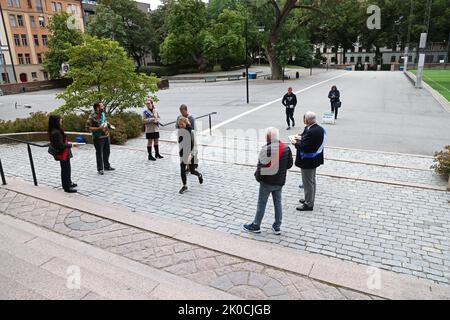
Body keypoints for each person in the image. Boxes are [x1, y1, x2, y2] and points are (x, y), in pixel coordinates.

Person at [243, 127, 293, 235]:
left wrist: (258, 178)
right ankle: (277, 226)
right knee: (278, 203)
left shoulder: (266, 149)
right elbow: (289, 165)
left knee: (261, 204)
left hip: (267, 182)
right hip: (279, 182)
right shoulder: (286, 148)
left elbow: (260, 168)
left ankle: (256, 225)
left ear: (268, 137)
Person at [293, 111, 325, 211]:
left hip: (308, 160)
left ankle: (309, 204)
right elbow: (306, 136)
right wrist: (300, 136)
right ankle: (309, 198)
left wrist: (295, 143)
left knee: (308, 182)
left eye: (304, 119)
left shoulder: (312, 131)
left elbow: (305, 147)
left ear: (307, 120)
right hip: (314, 159)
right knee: (311, 181)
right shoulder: (317, 128)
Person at [48, 114, 78, 193]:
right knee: (65, 170)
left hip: (65, 152)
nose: (61, 120)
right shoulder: (56, 132)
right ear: (56, 121)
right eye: (60, 119)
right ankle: (66, 187)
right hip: (62, 153)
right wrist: (71, 145)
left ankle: (69, 182)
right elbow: (60, 146)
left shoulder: (56, 130)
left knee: (67, 168)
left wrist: (69, 143)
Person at [86, 102, 115, 175]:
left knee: (107, 152)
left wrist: (109, 124)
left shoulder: (103, 114)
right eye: (102, 106)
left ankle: (106, 166)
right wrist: (98, 128)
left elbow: (105, 121)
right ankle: (100, 169)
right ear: (97, 108)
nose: (103, 107)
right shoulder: (92, 116)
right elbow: (87, 128)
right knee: (99, 153)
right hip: (98, 137)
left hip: (106, 135)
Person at [177, 117, 203, 194]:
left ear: (186, 123)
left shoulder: (191, 132)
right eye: (179, 124)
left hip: (191, 154)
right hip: (183, 153)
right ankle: (185, 186)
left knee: (192, 171)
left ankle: (199, 175)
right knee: (182, 170)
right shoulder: (180, 131)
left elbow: (195, 146)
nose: (180, 126)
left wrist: (190, 156)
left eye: (182, 124)